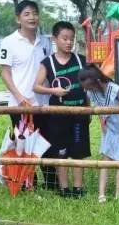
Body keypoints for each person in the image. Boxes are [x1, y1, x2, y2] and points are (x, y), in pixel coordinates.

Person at [0, 0, 56, 189]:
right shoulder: (8, 42)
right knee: (24, 145)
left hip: (43, 103)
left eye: (35, 13)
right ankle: (26, 183)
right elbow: (5, 72)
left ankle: (52, 182)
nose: (32, 17)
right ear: (18, 19)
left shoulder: (45, 42)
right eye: (27, 14)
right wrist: (19, 96)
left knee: (46, 143)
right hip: (19, 104)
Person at [33, 21, 90, 198]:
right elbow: (36, 86)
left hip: (79, 114)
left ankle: (78, 189)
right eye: (64, 38)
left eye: (71, 39)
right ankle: (64, 189)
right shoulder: (47, 62)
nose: (68, 42)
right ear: (55, 39)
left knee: (79, 153)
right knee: (61, 154)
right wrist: (53, 91)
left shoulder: (81, 60)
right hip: (58, 115)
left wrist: (88, 109)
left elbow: (88, 87)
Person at [79, 64, 119, 203]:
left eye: (88, 86)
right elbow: (99, 109)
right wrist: (103, 127)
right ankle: (101, 194)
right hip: (109, 128)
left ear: (97, 81)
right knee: (105, 159)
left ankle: (118, 194)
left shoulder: (114, 89)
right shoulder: (91, 92)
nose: (86, 89)